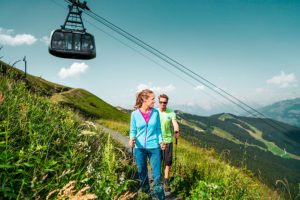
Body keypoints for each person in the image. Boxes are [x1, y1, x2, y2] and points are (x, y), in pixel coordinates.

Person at [129, 89, 166, 200]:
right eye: (152, 99)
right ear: (144, 100)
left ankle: (159, 196)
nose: (155, 101)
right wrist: (132, 138)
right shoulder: (135, 114)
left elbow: (158, 129)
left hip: (154, 147)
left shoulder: (155, 113)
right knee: (142, 173)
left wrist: (161, 141)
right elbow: (132, 130)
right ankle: (146, 196)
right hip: (139, 148)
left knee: (157, 174)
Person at [157, 94, 180, 192]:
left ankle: (166, 180)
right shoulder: (155, 112)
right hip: (157, 140)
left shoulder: (171, 112)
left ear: (167, 102)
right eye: (161, 102)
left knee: (168, 161)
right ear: (159, 102)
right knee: (157, 160)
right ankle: (157, 178)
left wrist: (176, 130)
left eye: (165, 102)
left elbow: (174, 123)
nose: (163, 104)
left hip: (168, 141)